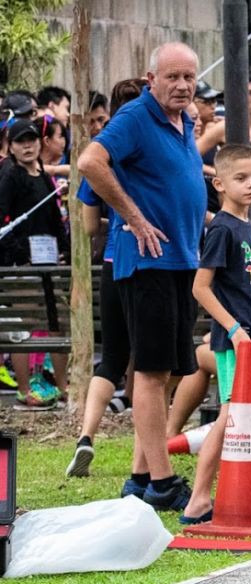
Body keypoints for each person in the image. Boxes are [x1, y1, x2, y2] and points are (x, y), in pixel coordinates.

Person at [78, 42, 207, 509]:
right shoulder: (135, 115)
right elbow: (90, 162)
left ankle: (140, 476)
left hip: (180, 262)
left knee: (168, 370)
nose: (182, 85)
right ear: (150, 78)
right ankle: (164, 483)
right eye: (172, 76)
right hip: (148, 261)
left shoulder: (184, 120)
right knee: (150, 374)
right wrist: (132, 217)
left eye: (188, 77)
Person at [181, 144, 251, 524]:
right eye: (241, 178)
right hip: (237, 342)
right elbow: (201, 287)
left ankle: (226, 497)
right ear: (219, 183)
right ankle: (198, 499)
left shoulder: (245, 226)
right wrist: (235, 330)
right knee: (228, 418)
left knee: (238, 419)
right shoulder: (221, 228)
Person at [66, 79, 150, 475]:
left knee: (112, 358)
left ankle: (85, 436)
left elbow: (86, 227)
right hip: (150, 263)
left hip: (113, 262)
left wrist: (115, 220)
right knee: (153, 360)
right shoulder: (150, 148)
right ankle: (146, 444)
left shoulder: (104, 156)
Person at [0, 118, 69, 409]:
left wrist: (64, 251)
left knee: (59, 322)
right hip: (21, 266)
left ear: (40, 143)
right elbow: (3, 222)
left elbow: (55, 220)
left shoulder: (43, 176)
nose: (27, 146)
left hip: (49, 262)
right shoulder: (10, 177)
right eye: (20, 141)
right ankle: (25, 389)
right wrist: (20, 256)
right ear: (10, 147)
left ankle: (64, 386)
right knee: (23, 327)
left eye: (31, 139)